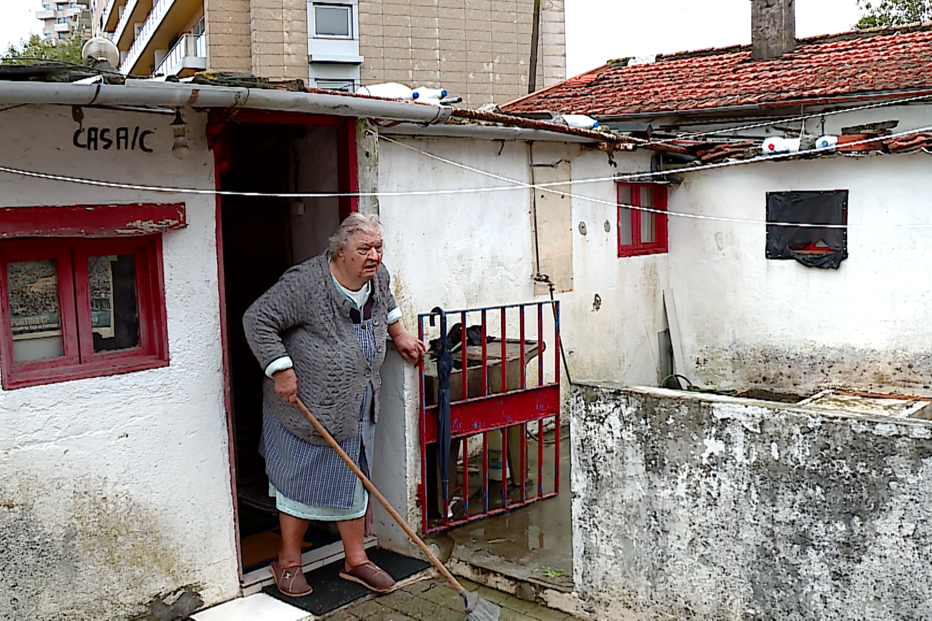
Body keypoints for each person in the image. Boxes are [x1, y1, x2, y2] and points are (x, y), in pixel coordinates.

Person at [243, 213, 425, 597]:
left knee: (353, 480)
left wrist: (399, 333)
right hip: (304, 407)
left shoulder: (378, 276)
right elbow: (257, 319)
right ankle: (288, 563)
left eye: (378, 247)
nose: (374, 256)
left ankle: (355, 561)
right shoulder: (305, 283)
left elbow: (387, 304)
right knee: (296, 483)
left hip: (356, 402)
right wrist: (280, 369)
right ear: (340, 251)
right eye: (364, 249)